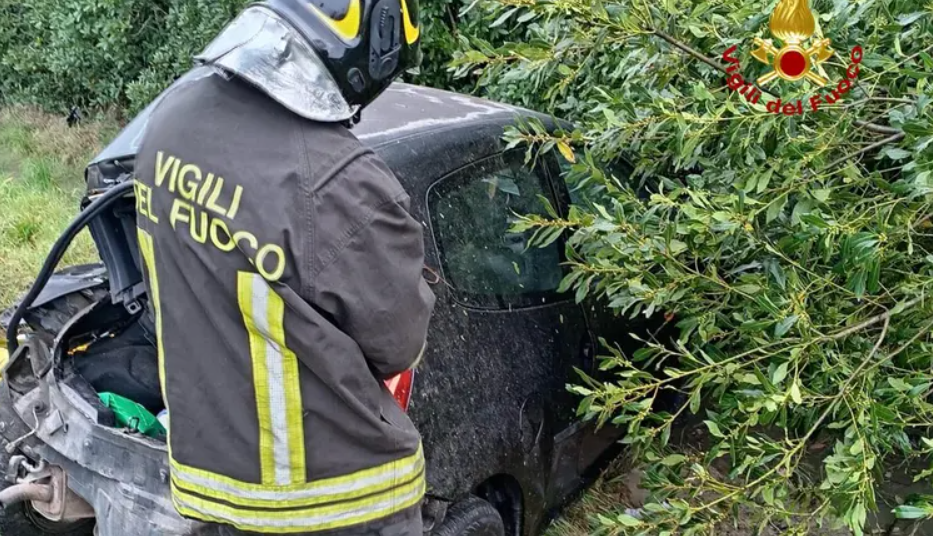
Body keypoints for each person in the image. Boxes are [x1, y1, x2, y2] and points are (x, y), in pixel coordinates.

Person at [132, 0, 436, 534]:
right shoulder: (339, 182)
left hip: (204, 482)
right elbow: (398, 346)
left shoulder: (171, 120)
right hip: (334, 502)